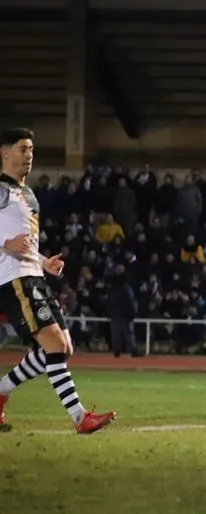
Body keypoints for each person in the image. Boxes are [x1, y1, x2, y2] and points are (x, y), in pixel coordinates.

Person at [0, 127, 116, 433]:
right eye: (23, 149)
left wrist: (43, 262)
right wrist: (4, 243)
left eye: (31, 149)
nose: (29, 155)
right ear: (5, 153)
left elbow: (25, 245)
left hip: (33, 276)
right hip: (13, 279)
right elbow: (10, 242)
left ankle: (1, 391)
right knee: (54, 343)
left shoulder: (28, 194)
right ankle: (80, 417)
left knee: (63, 349)